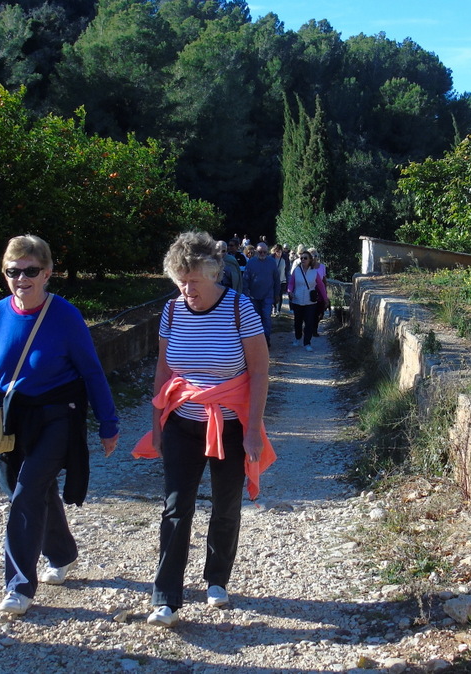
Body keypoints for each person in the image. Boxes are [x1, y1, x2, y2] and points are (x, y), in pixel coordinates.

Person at [0, 234, 119, 616]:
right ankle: (63, 552)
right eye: (13, 271)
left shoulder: (65, 316)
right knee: (25, 490)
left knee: (27, 492)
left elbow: (92, 371)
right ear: (4, 273)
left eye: (30, 270)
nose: (21, 278)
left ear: (47, 273)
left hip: (57, 415)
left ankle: (19, 586)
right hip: (13, 417)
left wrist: (108, 423)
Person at [135, 231, 275, 628]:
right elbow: (164, 369)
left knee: (226, 504)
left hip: (230, 425)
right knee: (176, 507)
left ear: (213, 273)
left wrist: (253, 429)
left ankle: (217, 579)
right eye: (180, 281)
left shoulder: (240, 309)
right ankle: (165, 597)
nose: (187, 289)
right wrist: (156, 424)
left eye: (193, 280)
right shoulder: (172, 311)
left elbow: (260, 371)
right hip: (182, 422)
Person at [287, 249, 327, 352]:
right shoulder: (296, 271)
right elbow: (291, 283)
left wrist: (325, 298)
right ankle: (298, 337)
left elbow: (321, 286)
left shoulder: (314, 272)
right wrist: (290, 291)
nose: (303, 260)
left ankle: (307, 343)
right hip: (297, 300)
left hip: (310, 301)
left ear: (310, 260)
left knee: (309, 322)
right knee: (298, 322)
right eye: (301, 258)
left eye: (305, 258)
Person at [243, 242, 277, 346]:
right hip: (253, 296)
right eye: (260, 252)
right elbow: (245, 280)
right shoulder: (251, 263)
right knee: (256, 318)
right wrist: (245, 294)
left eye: (264, 252)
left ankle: (266, 339)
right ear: (256, 252)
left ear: (267, 252)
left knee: (266, 316)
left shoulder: (272, 262)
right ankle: (258, 339)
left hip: (268, 295)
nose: (262, 254)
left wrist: (277, 294)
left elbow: (276, 279)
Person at [309, 248, 329, 337]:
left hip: (320, 291)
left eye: (315, 255)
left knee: (320, 312)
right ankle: (312, 329)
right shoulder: (307, 267)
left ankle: (314, 328)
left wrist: (325, 292)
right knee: (311, 311)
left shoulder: (322, 267)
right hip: (310, 290)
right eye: (312, 255)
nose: (314, 257)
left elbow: (324, 280)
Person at [270, 244, 286, 316]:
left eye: (280, 251)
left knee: (280, 295)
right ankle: (274, 307)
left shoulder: (284, 259)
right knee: (274, 294)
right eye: (277, 251)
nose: (279, 253)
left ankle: (279, 310)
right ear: (274, 251)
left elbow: (286, 270)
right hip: (273, 280)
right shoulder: (271, 259)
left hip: (282, 280)